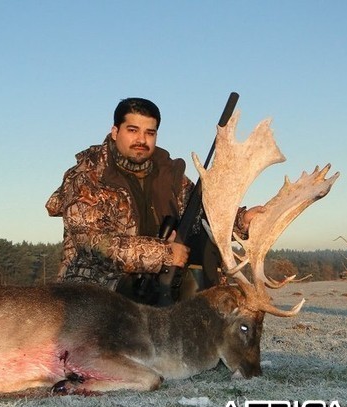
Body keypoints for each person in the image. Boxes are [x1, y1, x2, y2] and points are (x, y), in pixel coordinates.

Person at [46, 98, 260, 303]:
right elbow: (95, 244)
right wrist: (165, 253)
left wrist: (241, 220)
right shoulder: (86, 177)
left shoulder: (169, 175)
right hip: (96, 291)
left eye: (150, 133)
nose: (141, 140)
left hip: (159, 285)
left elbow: (202, 217)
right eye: (132, 130)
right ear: (115, 132)